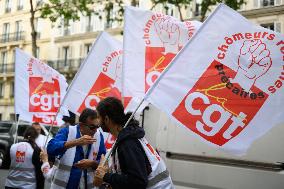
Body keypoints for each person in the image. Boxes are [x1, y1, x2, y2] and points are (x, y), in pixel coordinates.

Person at [94, 97, 174, 189]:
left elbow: (137, 182)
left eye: (99, 117)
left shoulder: (128, 143)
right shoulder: (129, 135)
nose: (98, 123)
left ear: (107, 119)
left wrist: (106, 176)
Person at [47, 108, 106, 189]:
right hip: (65, 185)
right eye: (92, 127)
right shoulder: (68, 132)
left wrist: (92, 163)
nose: (95, 130)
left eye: (97, 126)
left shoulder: (99, 136)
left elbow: (104, 160)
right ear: (81, 125)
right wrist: (75, 142)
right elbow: (50, 148)